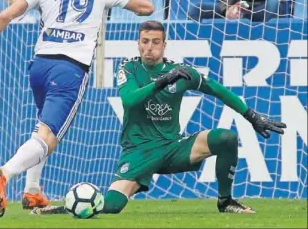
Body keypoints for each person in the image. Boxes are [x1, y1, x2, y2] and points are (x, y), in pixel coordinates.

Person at [0, 0, 154, 217]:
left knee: (42, 127)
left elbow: (4, 16)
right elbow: (146, 8)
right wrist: (129, 4)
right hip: (70, 68)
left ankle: (33, 190)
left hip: (40, 66)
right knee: (49, 138)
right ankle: (5, 173)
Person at [32, 20, 286, 216]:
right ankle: (67, 207)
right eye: (145, 41)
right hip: (139, 152)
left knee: (226, 138)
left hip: (173, 147)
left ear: (164, 45)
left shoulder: (180, 73)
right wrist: (161, 82)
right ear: (138, 43)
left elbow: (218, 89)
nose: (149, 48)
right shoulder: (128, 69)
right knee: (110, 207)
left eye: (155, 42)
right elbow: (130, 100)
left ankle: (225, 201)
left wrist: (251, 116)